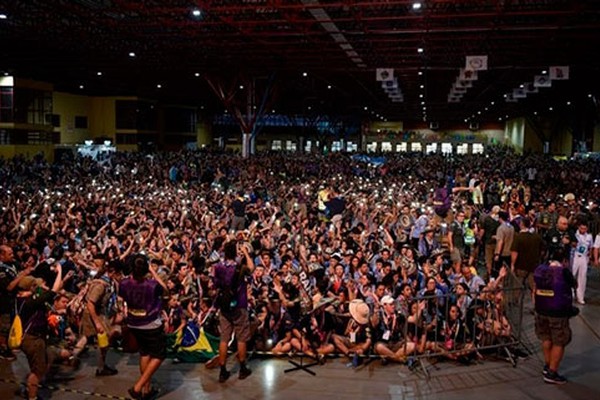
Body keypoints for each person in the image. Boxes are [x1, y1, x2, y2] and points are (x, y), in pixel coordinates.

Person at [119, 255, 167, 399]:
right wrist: (153, 272)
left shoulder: (124, 283)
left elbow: (121, 300)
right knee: (159, 355)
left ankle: (147, 389)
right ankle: (138, 387)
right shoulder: (152, 285)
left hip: (133, 322)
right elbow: (165, 290)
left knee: (145, 353)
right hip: (150, 323)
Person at [18, 262, 63, 400]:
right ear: (31, 287)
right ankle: (32, 397)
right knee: (37, 371)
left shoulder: (20, 299)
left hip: (28, 337)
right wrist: (60, 271)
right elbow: (53, 291)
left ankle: (29, 390)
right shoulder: (31, 300)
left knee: (36, 367)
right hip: (33, 338)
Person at [533, 247, 577, 385]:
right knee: (559, 341)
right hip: (558, 312)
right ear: (564, 260)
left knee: (546, 337)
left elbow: (535, 287)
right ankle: (552, 372)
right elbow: (574, 285)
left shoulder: (540, 270)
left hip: (541, 310)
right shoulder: (563, 272)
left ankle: (547, 366)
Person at [213, 240, 255, 382]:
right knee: (241, 337)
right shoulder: (239, 267)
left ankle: (223, 371)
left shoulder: (218, 267)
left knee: (224, 338)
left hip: (224, 306)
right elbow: (252, 268)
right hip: (239, 305)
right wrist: (246, 254)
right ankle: (243, 368)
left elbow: (215, 284)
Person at [80, 260, 122, 377]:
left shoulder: (109, 283)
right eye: (119, 273)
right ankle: (100, 367)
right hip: (95, 315)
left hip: (101, 314)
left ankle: (100, 366)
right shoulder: (100, 285)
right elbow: (91, 303)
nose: (120, 276)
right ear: (113, 272)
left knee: (94, 341)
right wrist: (97, 322)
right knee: (100, 341)